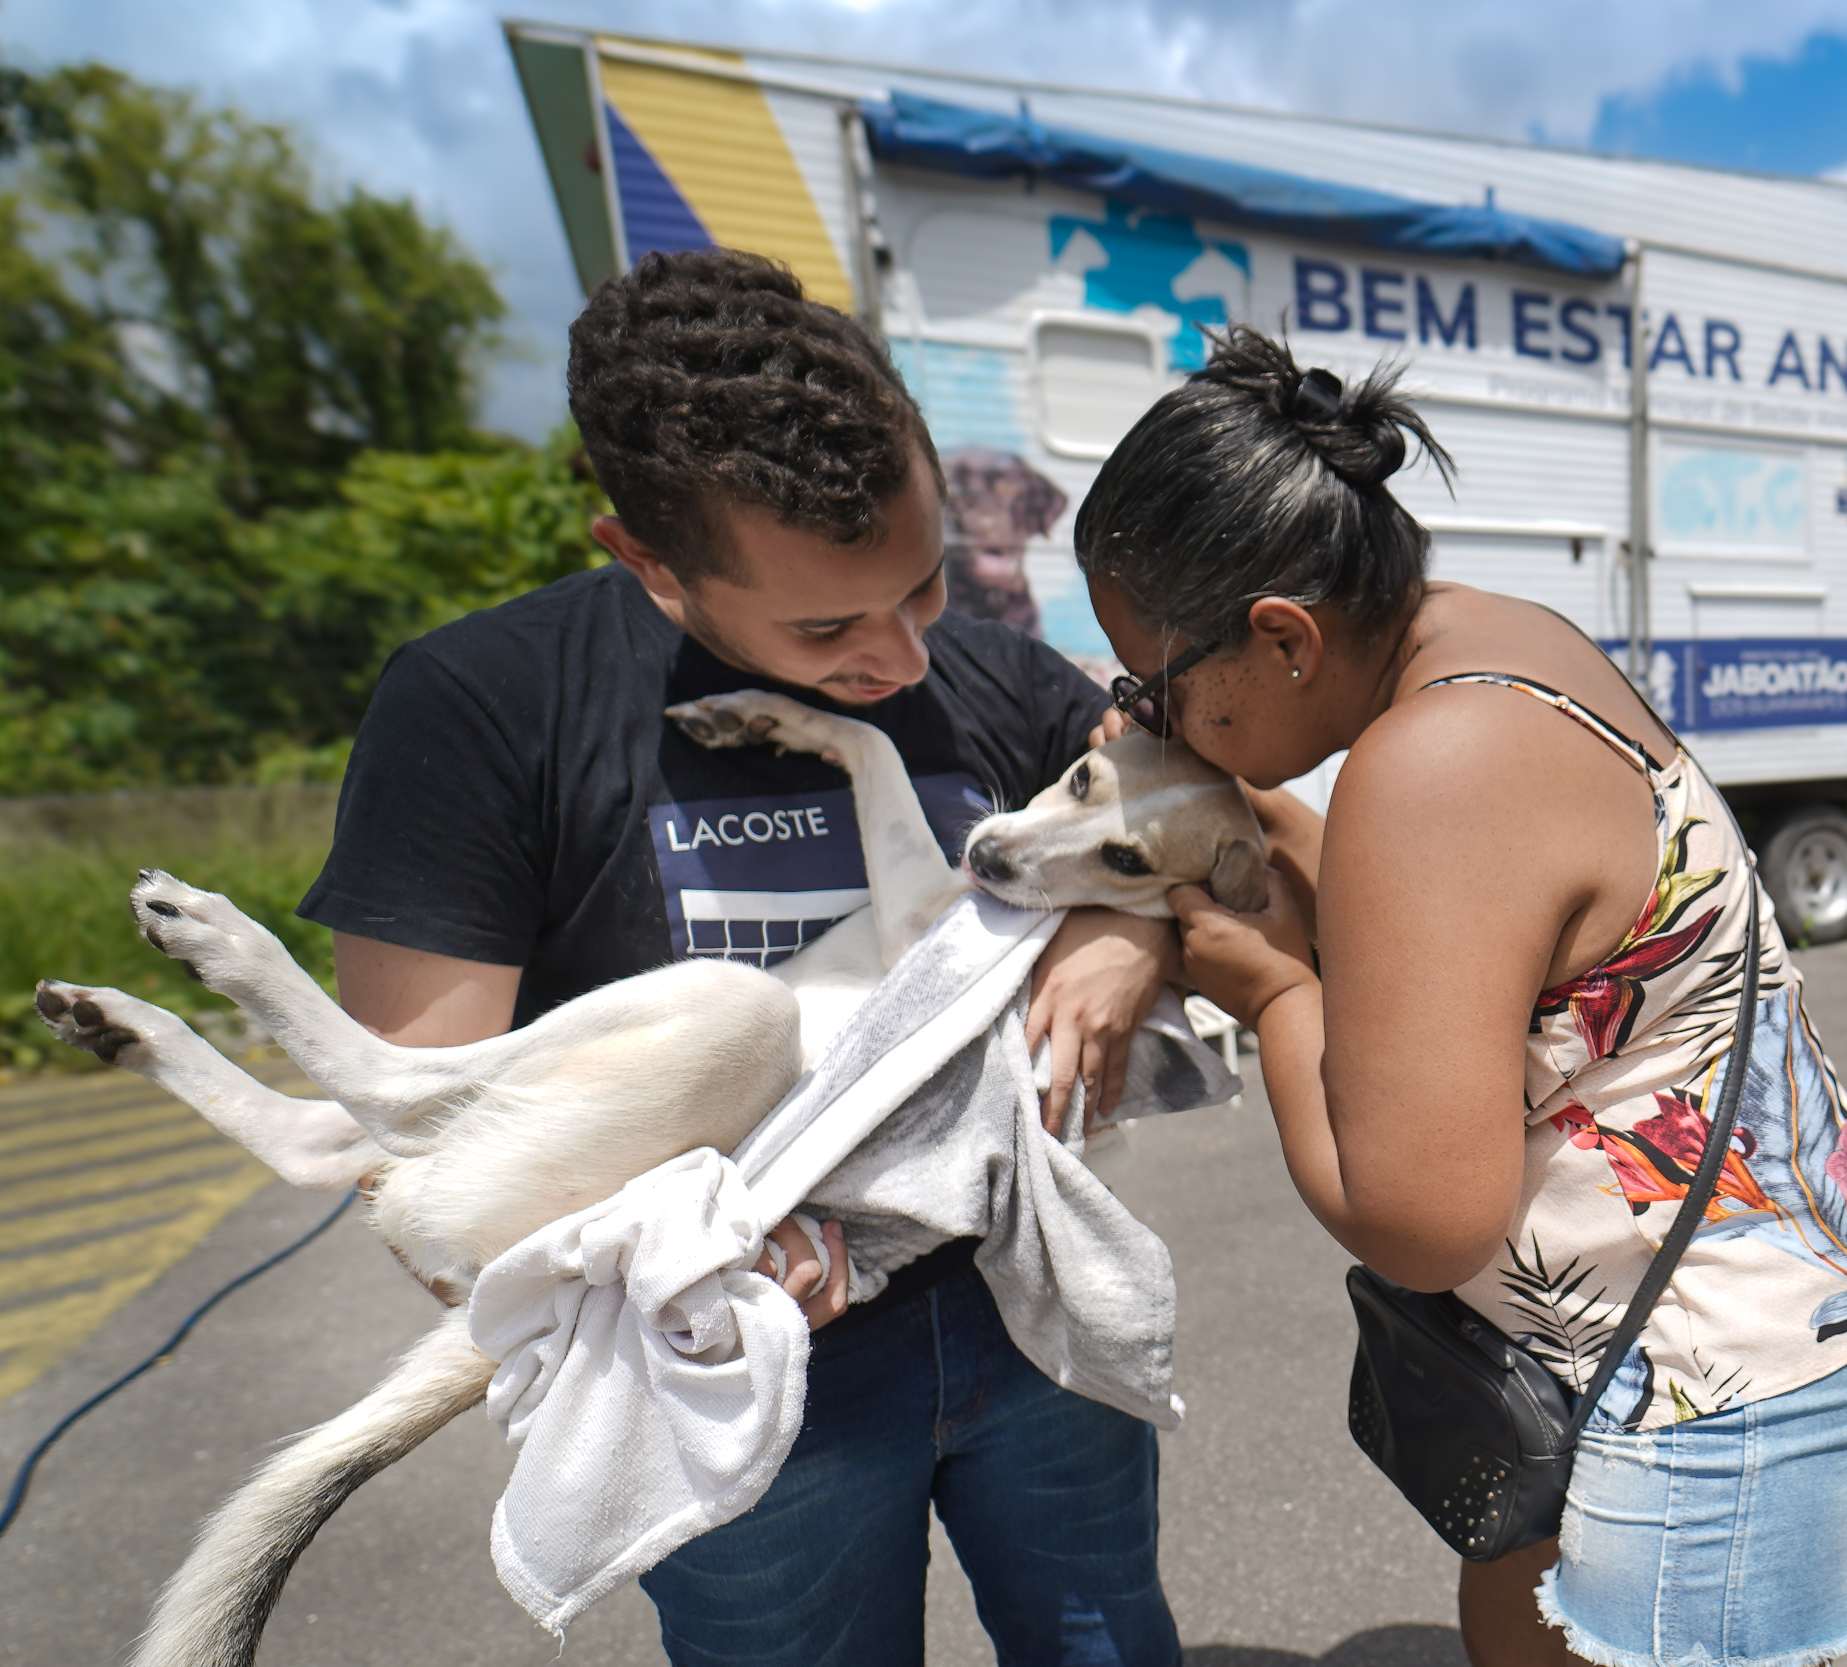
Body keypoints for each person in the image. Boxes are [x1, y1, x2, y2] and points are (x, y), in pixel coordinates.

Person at [300, 249, 1184, 1666]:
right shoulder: (480, 709)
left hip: (1031, 1310)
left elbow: (1178, 805)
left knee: (1106, 1643)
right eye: (827, 627)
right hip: (747, 1384)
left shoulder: (996, 681)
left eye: (927, 582)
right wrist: (709, 1269)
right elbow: (435, 1177)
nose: (902, 661)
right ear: (643, 558)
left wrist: (1126, 931)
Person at [1074, 328, 1847, 1667]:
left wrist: (1267, 997)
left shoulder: (1434, 768)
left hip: (1722, 1394)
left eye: (1163, 685)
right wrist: (1236, 807)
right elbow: (1453, 942)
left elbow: (1419, 1221)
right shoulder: (1489, 637)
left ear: (1285, 636)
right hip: (1774, 1301)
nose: (1160, 718)